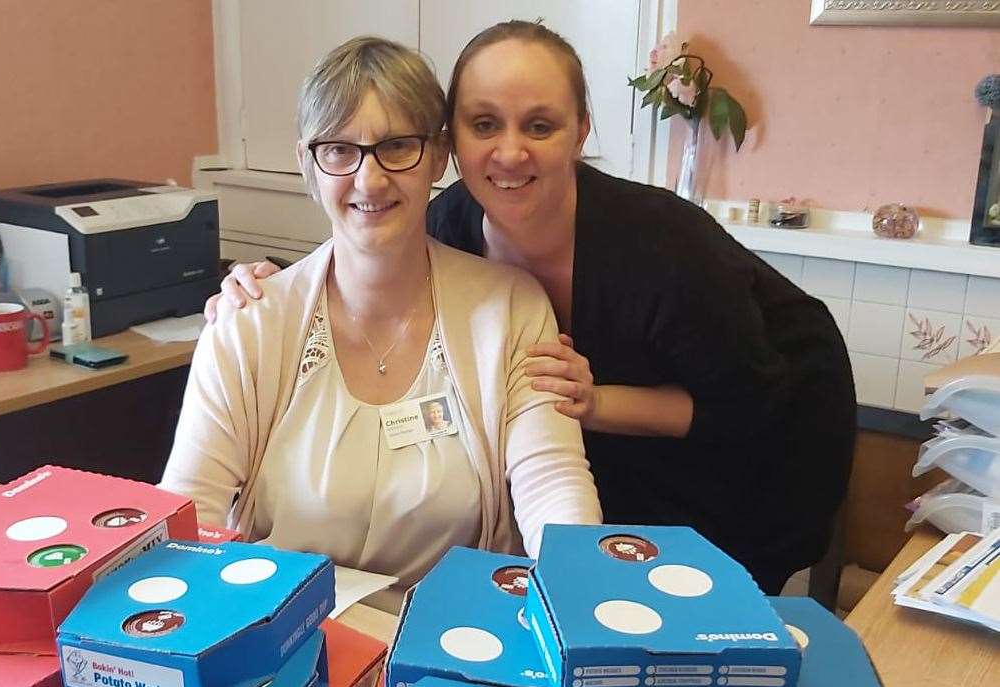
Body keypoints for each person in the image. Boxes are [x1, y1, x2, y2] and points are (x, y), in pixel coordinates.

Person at [209, 21, 856, 595]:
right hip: (600, 448)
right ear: (448, 142)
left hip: (754, 431)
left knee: (695, 605)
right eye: (484, 124)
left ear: (579, 131)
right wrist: (263, 287)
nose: (510, 152)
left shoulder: (666, 249)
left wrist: (596, 402)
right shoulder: (448, 226)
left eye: (539, 126)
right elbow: (361, 234)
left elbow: (743, 408)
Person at [161, 36, 601, 612]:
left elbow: (553, 488)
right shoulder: (251, 321)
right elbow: (186, 516)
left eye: (396, 146)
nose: (369, 180)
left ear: (438, 156)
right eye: (340, 150)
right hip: (282, 638)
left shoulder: (511, 309)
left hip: (450, 646)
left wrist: (581, 601)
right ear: (307, 163)